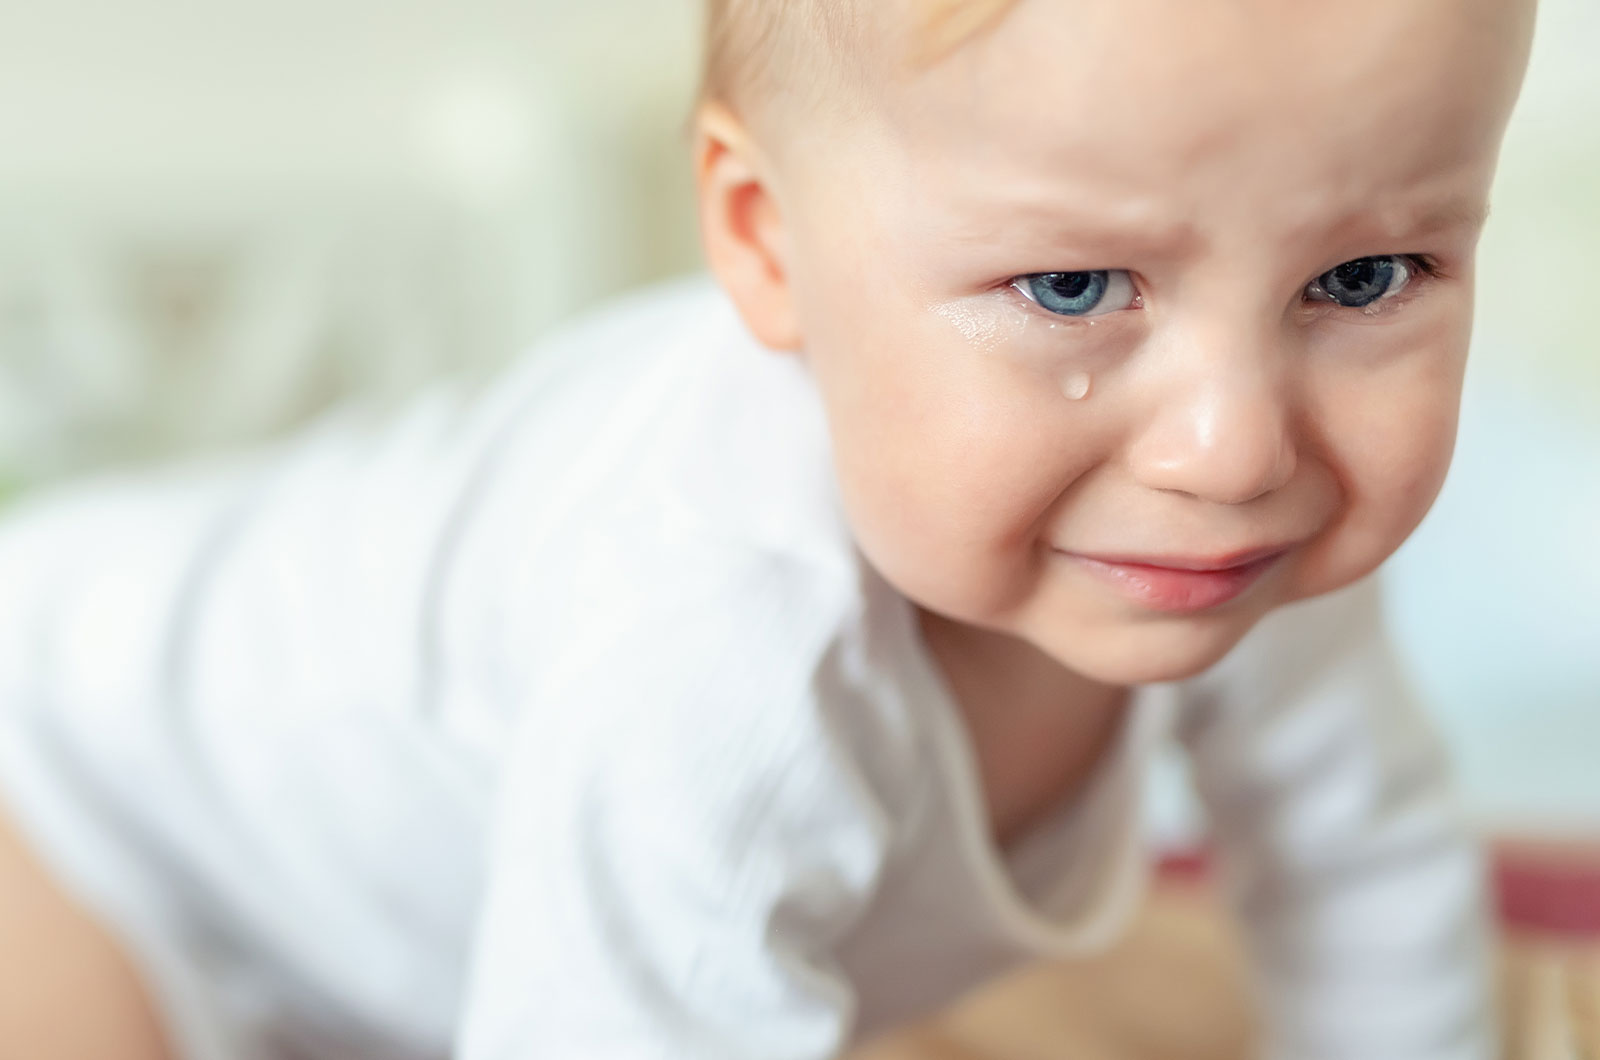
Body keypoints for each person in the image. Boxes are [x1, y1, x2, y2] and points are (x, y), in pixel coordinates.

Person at [0, 0, 1537, 1057]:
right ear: (763, 241)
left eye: (1365, 280)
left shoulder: (1243, 523)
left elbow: (1367, 872)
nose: (1231, 444)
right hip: (82, 811)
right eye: (1072, 288)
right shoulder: (716, 648)